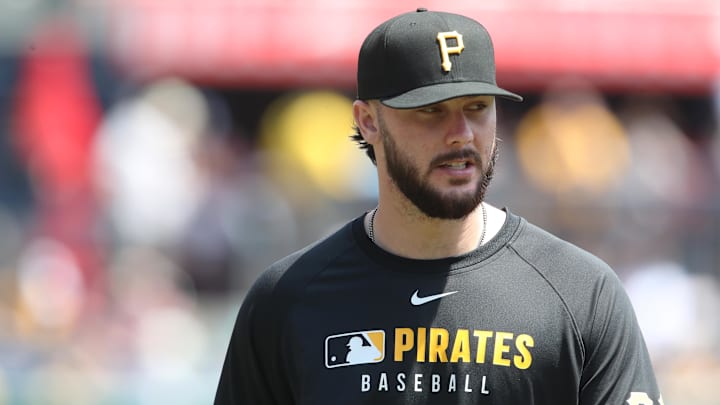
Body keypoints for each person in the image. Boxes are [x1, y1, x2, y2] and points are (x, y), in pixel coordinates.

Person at [215, 8, 663, 405]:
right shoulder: (287, 299)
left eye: (477, 107)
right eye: (431, 111)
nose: (462, 134)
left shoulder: (582, 293)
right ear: (368, 122)